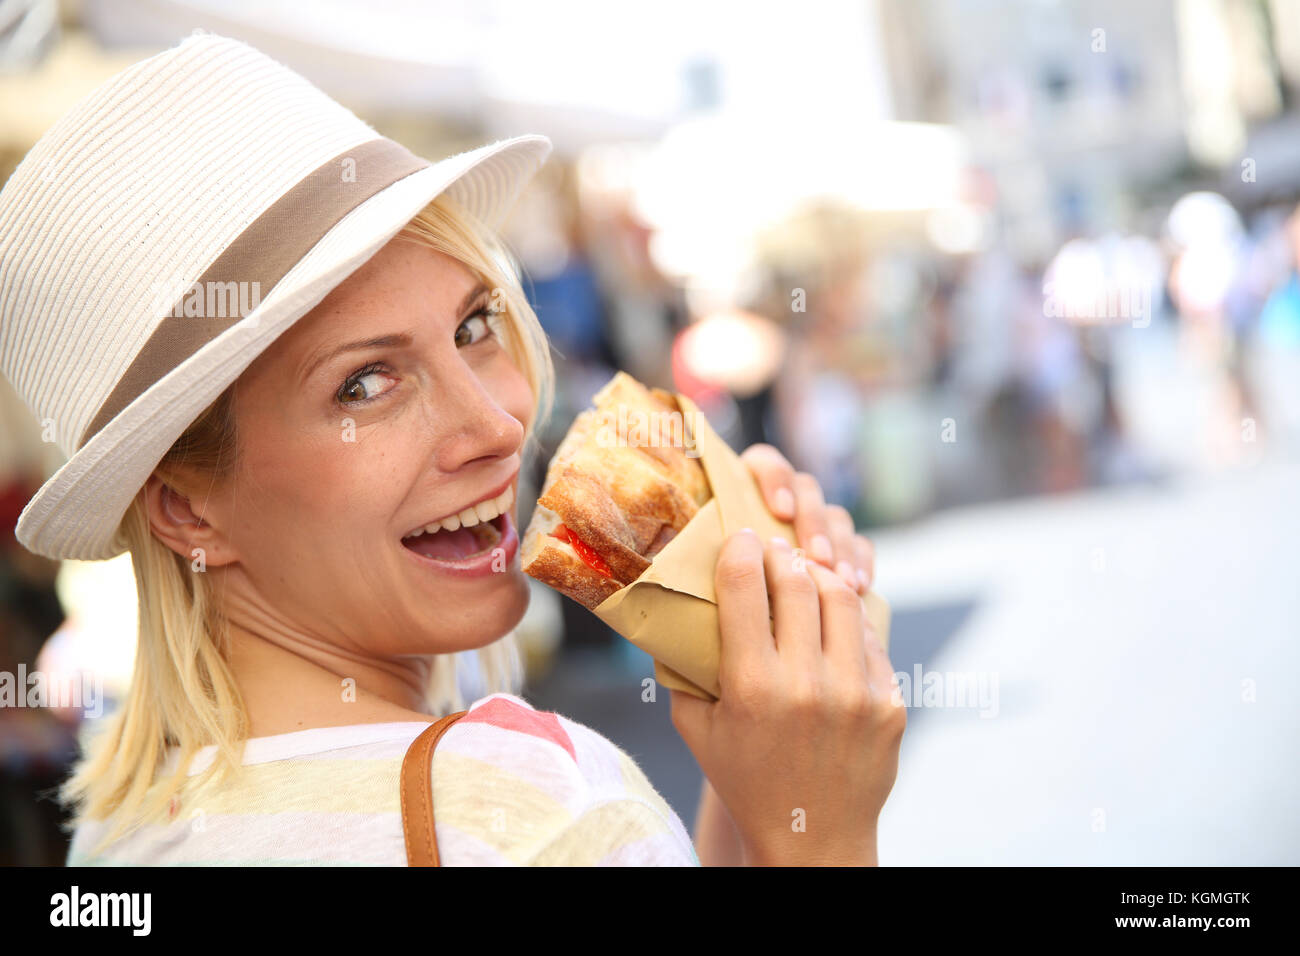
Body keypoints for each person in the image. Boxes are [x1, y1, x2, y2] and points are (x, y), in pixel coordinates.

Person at [0, 33, 903, 866]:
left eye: (475, 325)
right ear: (186, 508)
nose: (499, 425)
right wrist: (821, 829)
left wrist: (756, 783)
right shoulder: (544, 810)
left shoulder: (124, 830)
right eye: (365, 384)